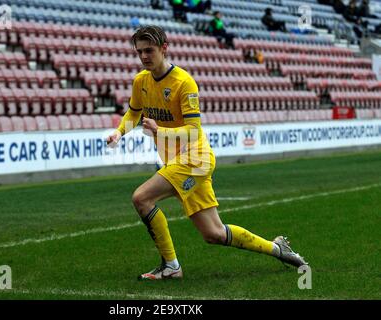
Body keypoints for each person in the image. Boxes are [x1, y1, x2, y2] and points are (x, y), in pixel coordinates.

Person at [106, 25, 308, 280]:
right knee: (214, 233)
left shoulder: (183, 82)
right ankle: (278, 248)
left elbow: (192, 130)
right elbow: (134, 113)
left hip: (195, 158)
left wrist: (159, 132)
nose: (144, 57)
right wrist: (119, 132)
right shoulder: (140, 81)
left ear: (164, 48)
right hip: (180, 162)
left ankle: (171, 266)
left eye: (150, 50)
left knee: (142, 198)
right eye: (140, 52)